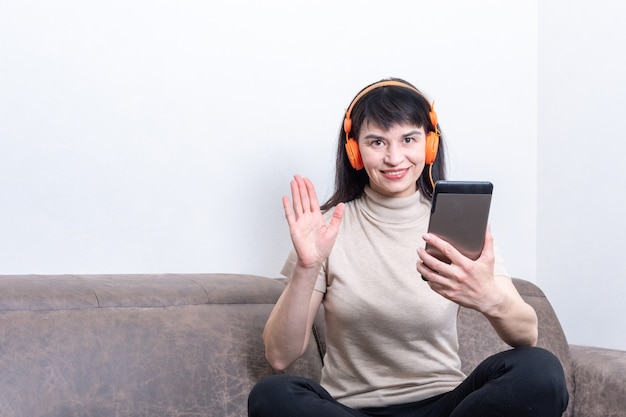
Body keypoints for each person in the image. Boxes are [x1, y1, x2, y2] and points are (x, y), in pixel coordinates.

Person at [248, 78, 569, 417]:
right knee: (272, 395)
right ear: (355, 151)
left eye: (408, 139)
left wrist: (489, 296)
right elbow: (280, 356)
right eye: (377, 142)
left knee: (540, 370)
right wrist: (307, 267)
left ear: (429, 145)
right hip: (353, 411)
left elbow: (526, 335)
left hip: (445, 408)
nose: (394, 157)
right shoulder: (327, 228)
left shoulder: (457, 224)